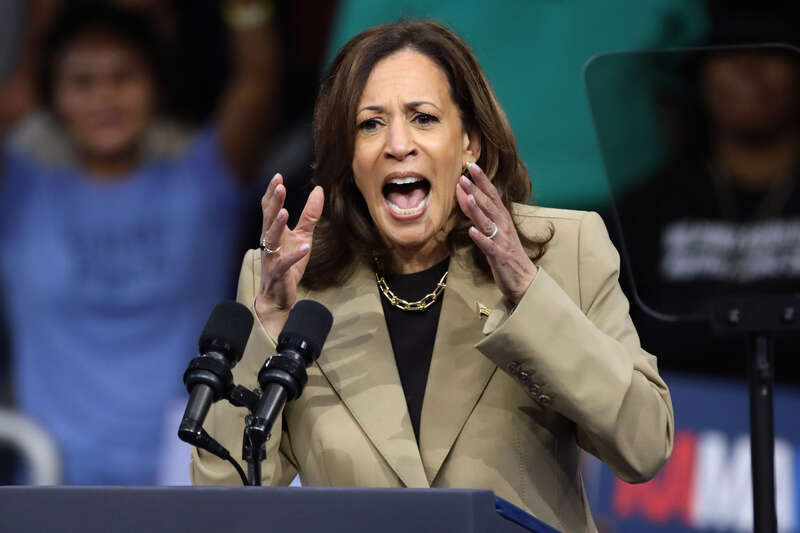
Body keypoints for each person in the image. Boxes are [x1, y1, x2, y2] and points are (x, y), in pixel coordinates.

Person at [191, 20, 673, 531]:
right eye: (370, 124)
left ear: (471, 142)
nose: (398, 144)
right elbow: (225, 503)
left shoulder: (560, 252)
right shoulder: (289, 281)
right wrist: (266, 324)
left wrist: (528, 291)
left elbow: (643, 447)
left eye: (423, 118)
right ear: (349, 158)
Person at [0, 0, 278, 484]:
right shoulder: (18, 194)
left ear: (156, 86)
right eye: (81, 82)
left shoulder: (201, 182)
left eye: (123, 77)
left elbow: (258, 81)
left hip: (189, 474)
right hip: (51, 479)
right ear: (51, 95)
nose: (104, 97)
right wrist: (31, 56)